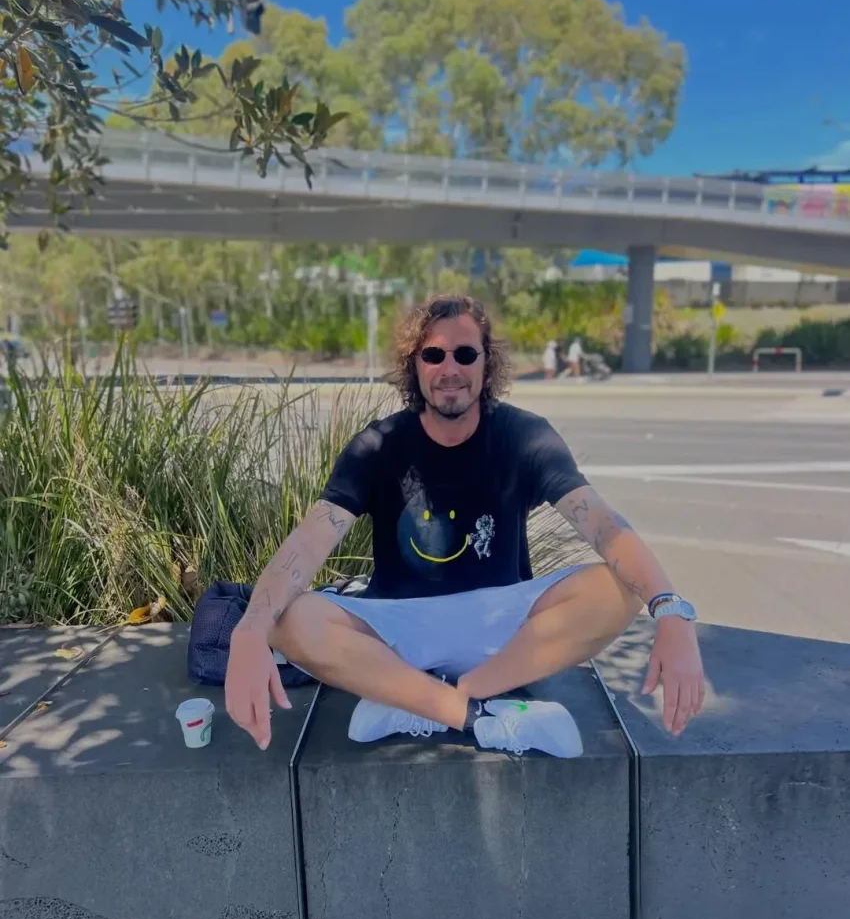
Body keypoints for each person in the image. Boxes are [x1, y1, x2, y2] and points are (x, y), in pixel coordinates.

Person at [225, 295, 705, 757]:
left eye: (465, 353)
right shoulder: (378, 445)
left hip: (503, 631)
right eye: (433, 355)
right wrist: (250, 630)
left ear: (486, 362)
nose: (449, 368)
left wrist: (671, 610)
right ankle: (473, 714)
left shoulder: (524, 435)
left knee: (620, 588)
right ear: (415, 366)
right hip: (399, 629)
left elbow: (604, 526)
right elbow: (310, 541)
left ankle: (426, 700)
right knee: (289, 620)